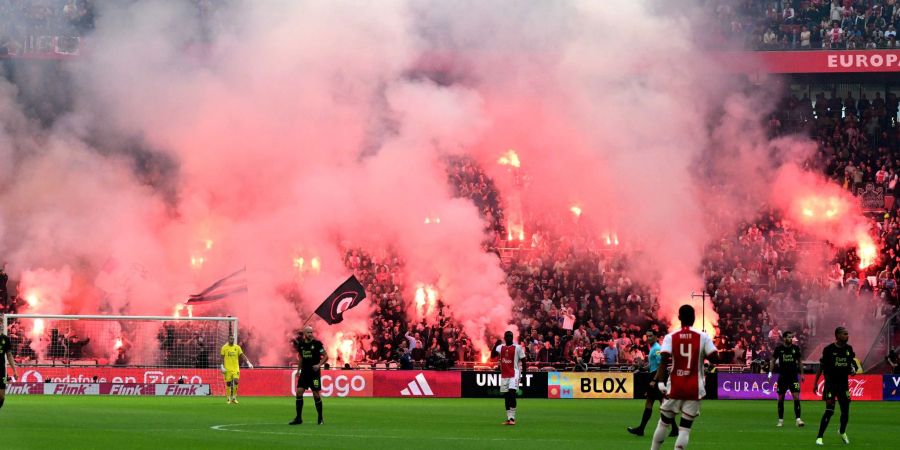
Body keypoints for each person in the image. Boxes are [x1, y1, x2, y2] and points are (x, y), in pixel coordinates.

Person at [650, 305, 718, 450]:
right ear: (694, 318)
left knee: (663, 423)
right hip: (694, 388)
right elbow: (715, 358)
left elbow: (663, 361)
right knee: (685, 429)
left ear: (679, 318)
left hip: (675, 386)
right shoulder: (703, 337)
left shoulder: (670, 337)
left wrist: (660, 382)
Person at [628, 331, 677, 438]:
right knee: (660, 404)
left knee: (656, 403)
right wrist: (642, 367)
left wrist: (654, 380)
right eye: (647, 336)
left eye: (651, 336)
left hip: (657, 377)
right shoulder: (653, 348)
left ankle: (641, 429)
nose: (649, 338)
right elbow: (652, 365)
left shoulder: (657, 349)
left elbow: (661, 366)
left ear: (655, 337)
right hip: (655, 376)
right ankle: (674, 428)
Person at [814, 327, 856, 446]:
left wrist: (853, 370)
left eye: (847, 334)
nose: (847, 336)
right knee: (829, 411)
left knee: (845, 412)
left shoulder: (849, 349)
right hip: (830, 385)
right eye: (844, 334)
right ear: (837, 335)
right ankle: (819, 437)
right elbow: (821, 367)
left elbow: (852, 364)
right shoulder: (828, 349)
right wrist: (815, 382)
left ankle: (842, 432)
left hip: (844, 386)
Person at [290, 326, 327, 425]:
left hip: (314, 374)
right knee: (299, 392)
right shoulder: (301, 345)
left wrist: (319, 365)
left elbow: (326, 356)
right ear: (305, 334)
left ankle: (320, 417)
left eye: (311, 332)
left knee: (316, 394)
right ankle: (298, 418)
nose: (311, 334)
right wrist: (298, 370)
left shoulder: (317, 344)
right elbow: (301, 359)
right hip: (304, 373)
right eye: (309, 332)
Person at [768, 331, 804, 427]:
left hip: (793, 377)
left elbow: (800, 361)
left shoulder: (795, 348)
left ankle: (798, 419)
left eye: (792, 337)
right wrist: (770, 373)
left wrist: (802, 374)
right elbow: (772, 360)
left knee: (796, 397)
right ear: (784, 338)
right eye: (789, 337)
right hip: (783, 377)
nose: (791, 339)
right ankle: (780, 420)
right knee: (780, 398)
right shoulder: (779, 349)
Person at [495, 330, 526, 425]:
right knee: (506, 396)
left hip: (514, 373)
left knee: (512, 394)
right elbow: (492, 355)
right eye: (507, 336)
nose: (509, 337)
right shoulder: (501, 347)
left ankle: (512, 418)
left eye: (510, 336)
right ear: (504, 338)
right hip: (505, 374)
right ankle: (509, 418)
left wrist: (524, 374)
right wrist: (496, 343)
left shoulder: (518, 347)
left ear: (512, 337)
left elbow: (524, 361)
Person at [220, 334, 253, 404]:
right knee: (228, 383)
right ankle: (228, 398)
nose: (232, 340)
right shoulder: (224, 348)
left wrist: (248, 363)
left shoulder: (237, 347)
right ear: (228, 339)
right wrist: (222, 366)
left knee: (236, 381)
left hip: (235, 368)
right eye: (230, 339)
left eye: (233, 339)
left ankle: (234, 398)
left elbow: (242, 355)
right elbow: (222, 357)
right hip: (227, 369)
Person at [1, 326, 18, 411]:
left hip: (1, 371)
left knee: (2, 397)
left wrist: (15, 370)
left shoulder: (5, 339)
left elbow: (9, 355)